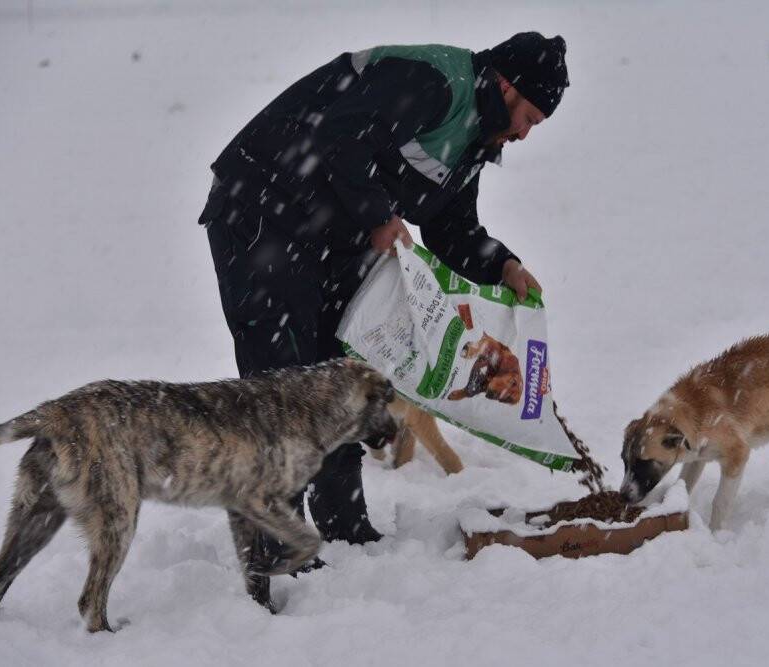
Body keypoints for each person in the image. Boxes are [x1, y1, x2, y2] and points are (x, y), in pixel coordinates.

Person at [199, 31, 569, 609]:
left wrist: (503, 264)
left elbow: (450, 227)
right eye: (528, 118)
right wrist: (376, 215)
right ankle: (277, 547)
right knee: (283, 380)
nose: (523, 134)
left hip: (331, 230)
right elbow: (341, 134)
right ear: (506, 87)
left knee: (343, 375)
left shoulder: (471, 137)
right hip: (263, 208)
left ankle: (343, 522)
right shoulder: (433, 82)